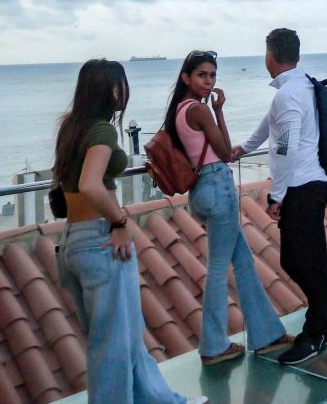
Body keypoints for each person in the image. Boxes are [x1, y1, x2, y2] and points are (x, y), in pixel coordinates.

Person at [52, 59, 206, 404]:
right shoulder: (102, 130)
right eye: (119, 83)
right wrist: (120, 223)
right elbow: (91, 184)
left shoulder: (71, 126)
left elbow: (68, 183)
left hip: (74, 239)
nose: (125, 90)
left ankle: (161, 399)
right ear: (106, 89)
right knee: (113, 345)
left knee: (123, 336)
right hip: (99, 238)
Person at [229, 29, 327, 365]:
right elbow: (270, 125)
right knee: (300, 259)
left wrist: (275, 194)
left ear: (269, 57)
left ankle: (316, 333)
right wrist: (243, 149)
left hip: (302, 188)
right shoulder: (305, 86)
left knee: (303, 260)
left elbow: (286, 147)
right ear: (296, 54)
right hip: (312, 184)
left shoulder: (288, 95)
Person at [165, 50, 292, 365]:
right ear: (186, 78)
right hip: (217, 186)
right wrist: (220, 111)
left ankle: (265, 335)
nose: (209, 81)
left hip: (202, 190)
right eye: (202, 75)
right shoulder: (199, 110)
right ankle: (213, 345)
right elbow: (223, 151)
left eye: (212, 75)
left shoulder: (180, 110)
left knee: (243, 262)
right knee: (219, 268)